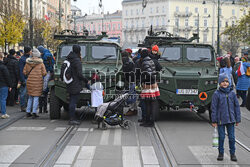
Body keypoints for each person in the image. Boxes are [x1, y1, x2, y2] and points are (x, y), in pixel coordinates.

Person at [211, 73, 241, 162]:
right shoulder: (216, 94)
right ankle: (221, 153)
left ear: (229, 83)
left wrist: (237, 119)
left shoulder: (232, 93)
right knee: (222, 137)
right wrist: (214, 120)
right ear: (219, 83)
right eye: (223, 81)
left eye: (227, 81)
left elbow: (236, 106)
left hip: (231, 120)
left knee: (232, 137)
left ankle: (233, 153)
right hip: (220, 120)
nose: (225, 83)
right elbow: (214, 107)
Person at [66, 45, 88, 125]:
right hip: (75, 83)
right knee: (73, 102)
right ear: (79, 51)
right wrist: (86, 80)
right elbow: (79, 74)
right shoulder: (77, 60)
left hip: (70, 82)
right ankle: (72, 119)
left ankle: (72, 117)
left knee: (72, 100)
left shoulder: (69, 58)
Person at [23, 48, 47, 119]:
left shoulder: (28, 63)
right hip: (38, 82)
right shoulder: (41, 63)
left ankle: (28, 111)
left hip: (30, 81)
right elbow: (44, 73)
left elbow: (24, 72)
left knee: (30, 96)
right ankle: (34, 112)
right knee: (36, 97)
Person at [139, 49, 160, 127]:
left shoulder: (145, 62)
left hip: (148, 85)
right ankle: (151, 121)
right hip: (153, 84)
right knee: (153, 104)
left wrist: (143, 80)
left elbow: (148, 73)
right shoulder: (151, 60)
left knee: (148, 104)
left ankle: (149, 121)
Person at [37, 46, 55, 113]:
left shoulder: (45, 56)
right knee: (45, 92)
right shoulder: (48, 54)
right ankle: (44, 109)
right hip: (48, 73)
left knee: (42, 91)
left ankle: (41, 109)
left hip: (45, 73)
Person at [122, 51, 137, 116]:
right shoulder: (130, 61)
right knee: (132, 95)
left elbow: (125, 71)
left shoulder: (126, 62)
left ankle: (132, 110)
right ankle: (134, 109)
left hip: (129, 81)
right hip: (132, 80)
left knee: (130, 95)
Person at [18, 46, 32, 112]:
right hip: (25, 78)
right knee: (23, 93)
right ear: (29, 51)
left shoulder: (25, 58)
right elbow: (20, 70)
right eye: (30, 50)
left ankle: (26, 106)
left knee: (26, 93)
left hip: (27, 78)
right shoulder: (23, 59)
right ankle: (23, 106)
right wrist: (22, 80)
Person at [0, 52, 12, 119]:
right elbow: (7, 76)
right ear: (1, 58)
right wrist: (10, 85)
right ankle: (3, 113)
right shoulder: (3, 67)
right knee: (3, 99)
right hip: (3, 84)